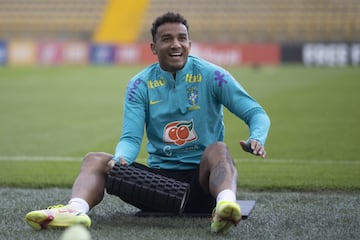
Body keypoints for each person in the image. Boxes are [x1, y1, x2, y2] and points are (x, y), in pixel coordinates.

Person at [25, 12, 270, 234]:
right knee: (94, 160)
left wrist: (256, 137)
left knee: (219, 150)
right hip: (157, 188)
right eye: (167, 39)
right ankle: (75, 211)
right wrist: (121, 159)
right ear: (153, 47)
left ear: (189, 44)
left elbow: (256, 113)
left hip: (205, 186)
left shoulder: (213, 75)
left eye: (182, 38)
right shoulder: (139, 85)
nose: (176, 44)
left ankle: (225, 206)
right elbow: (131, 139)